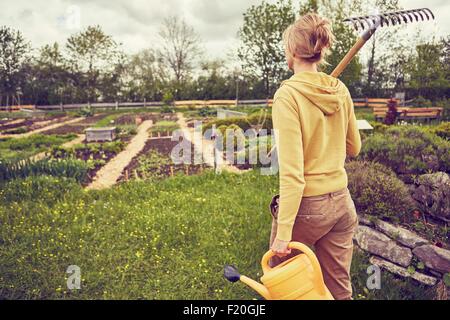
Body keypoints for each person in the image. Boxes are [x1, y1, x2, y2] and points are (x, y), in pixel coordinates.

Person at [269, 13, 362, 300]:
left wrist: (283, 233)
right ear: (320, 51)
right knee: (338, 288)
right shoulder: (339, 90)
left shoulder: (288, 96)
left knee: (283, 281)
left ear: (293, 51)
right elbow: (354, 147)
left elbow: (294, 177)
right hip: (341, 204)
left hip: (308, 208)